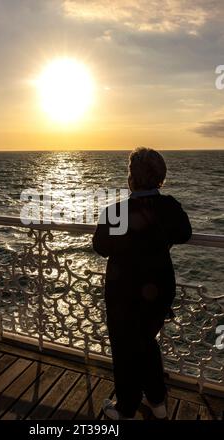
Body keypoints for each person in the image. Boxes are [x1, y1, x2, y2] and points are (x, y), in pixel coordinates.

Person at [92, 147, 192, 420]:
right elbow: (184, 233)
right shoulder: (169, 206)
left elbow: (100, 247)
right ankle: (157, 400)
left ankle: (126, 407)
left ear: (131, 177)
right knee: (146, 341)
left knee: (125, 347)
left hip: (123, 289)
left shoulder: (117, 211)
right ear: (161, 177)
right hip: (159, 287)